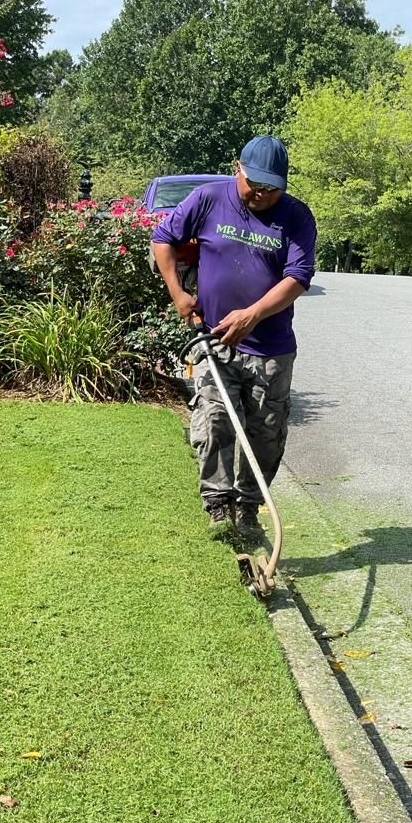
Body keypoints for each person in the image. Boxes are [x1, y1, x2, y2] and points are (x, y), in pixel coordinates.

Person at [151, 135, 316, 535]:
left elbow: (297, 277)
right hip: (213, 339)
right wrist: (178, 293)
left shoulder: (296, 216)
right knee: (214, 421)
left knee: (266, 434)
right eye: (254, 184)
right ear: (236, 169)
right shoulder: (208, 198)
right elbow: (163, 239)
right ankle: (218, 504)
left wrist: (252, 315)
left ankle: (248, 507)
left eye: (270, 188)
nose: (261, 194)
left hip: (271, 348)